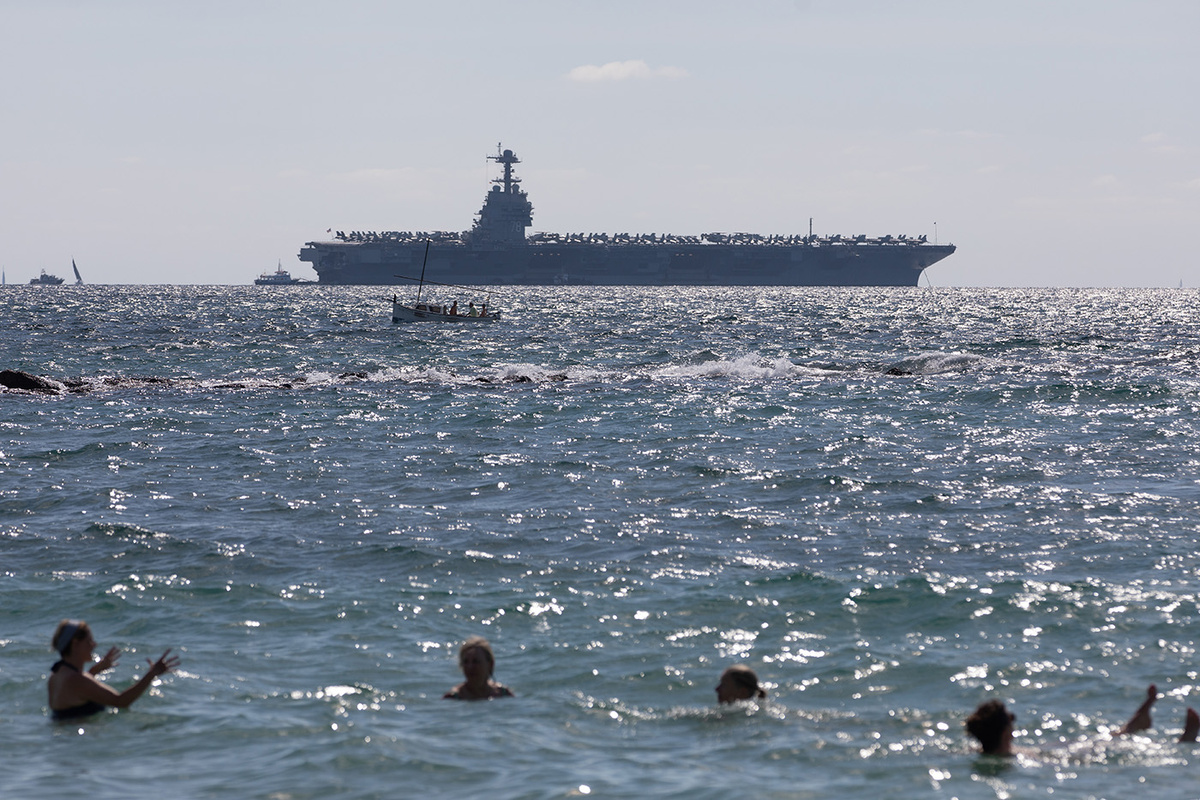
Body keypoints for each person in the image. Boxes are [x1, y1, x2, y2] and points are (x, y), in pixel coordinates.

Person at [966, 684, 1198, 756]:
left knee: (1098, 741)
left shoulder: (979, 753)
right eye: (1011, 720)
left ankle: (1132, 726)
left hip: (1045, 751)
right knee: (1096, 747)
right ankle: (1183, 741)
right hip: (1054, 758)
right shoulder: (1007, 758)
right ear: (1007, 733)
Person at [46, 619, 180, 720]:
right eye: (89, 641)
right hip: (80, 744)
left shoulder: (57, 674)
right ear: (75, 643)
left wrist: (95, 671)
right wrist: (152, 674)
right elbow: (121, 702)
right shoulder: (76, 679)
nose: (94, 645)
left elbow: (77, 691)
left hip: (66, 741)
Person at [444, 636, 513, 700]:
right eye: (466, 662)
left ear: (490, 664)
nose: (470, 667)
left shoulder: (503, 694)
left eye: (475, 661)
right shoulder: (453, 697)